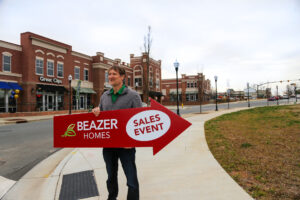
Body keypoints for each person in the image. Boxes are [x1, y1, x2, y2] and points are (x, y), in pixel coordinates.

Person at [92, 65, 142, 200]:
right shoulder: (105, 96)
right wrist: (97, 111)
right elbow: (101, 116)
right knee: (111, 177)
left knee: (131, 179)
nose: (111, 76)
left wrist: (132, 142)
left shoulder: (133, 96)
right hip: (108, 146)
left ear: (122, 77)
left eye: (114, 74)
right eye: (109, 74)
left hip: (126, 146)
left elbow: (140, 121)